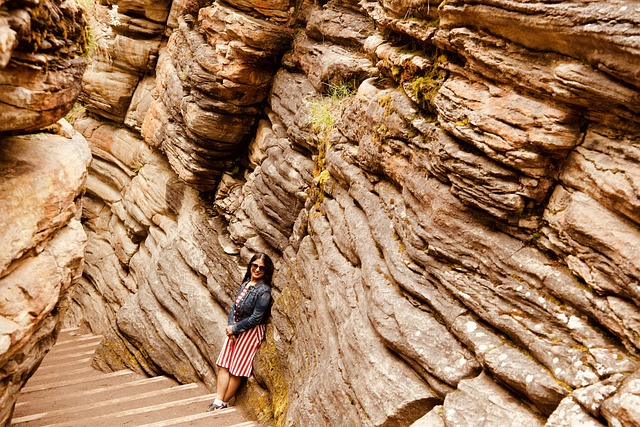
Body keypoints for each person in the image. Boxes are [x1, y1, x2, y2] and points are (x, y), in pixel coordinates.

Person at [207, 252, 274, 411]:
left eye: (261, 268)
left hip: (250, 332)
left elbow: (256, 318)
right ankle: (218, 400)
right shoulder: (245, 284)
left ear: (266, 271)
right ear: (250, 266)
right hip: (235, 329)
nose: (257, 269)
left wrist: (236, 328)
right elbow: (234, 307)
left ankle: (223, 403)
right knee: (223, 364)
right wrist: (231, 327)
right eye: (255, 265)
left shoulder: (264, 291)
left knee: (236, 370)